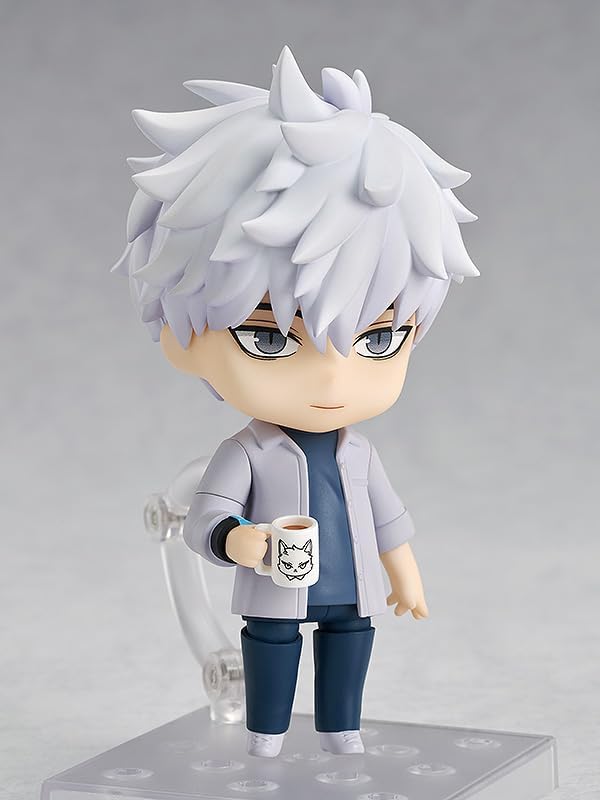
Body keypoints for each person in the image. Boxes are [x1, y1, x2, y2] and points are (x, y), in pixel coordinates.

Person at [113, 45, 478, 758]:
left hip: (349, 589)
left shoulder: (358, 451)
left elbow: (387, 518)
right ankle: (267, 734)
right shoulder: (247, 452)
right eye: (270, 339)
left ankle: (342, 729)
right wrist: (238, 541)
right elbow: (204, 519)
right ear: (182, 338)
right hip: (274, 591)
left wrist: (403, 572)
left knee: (349, 642)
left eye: (379, 339)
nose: (333, 380)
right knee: (272, 646)